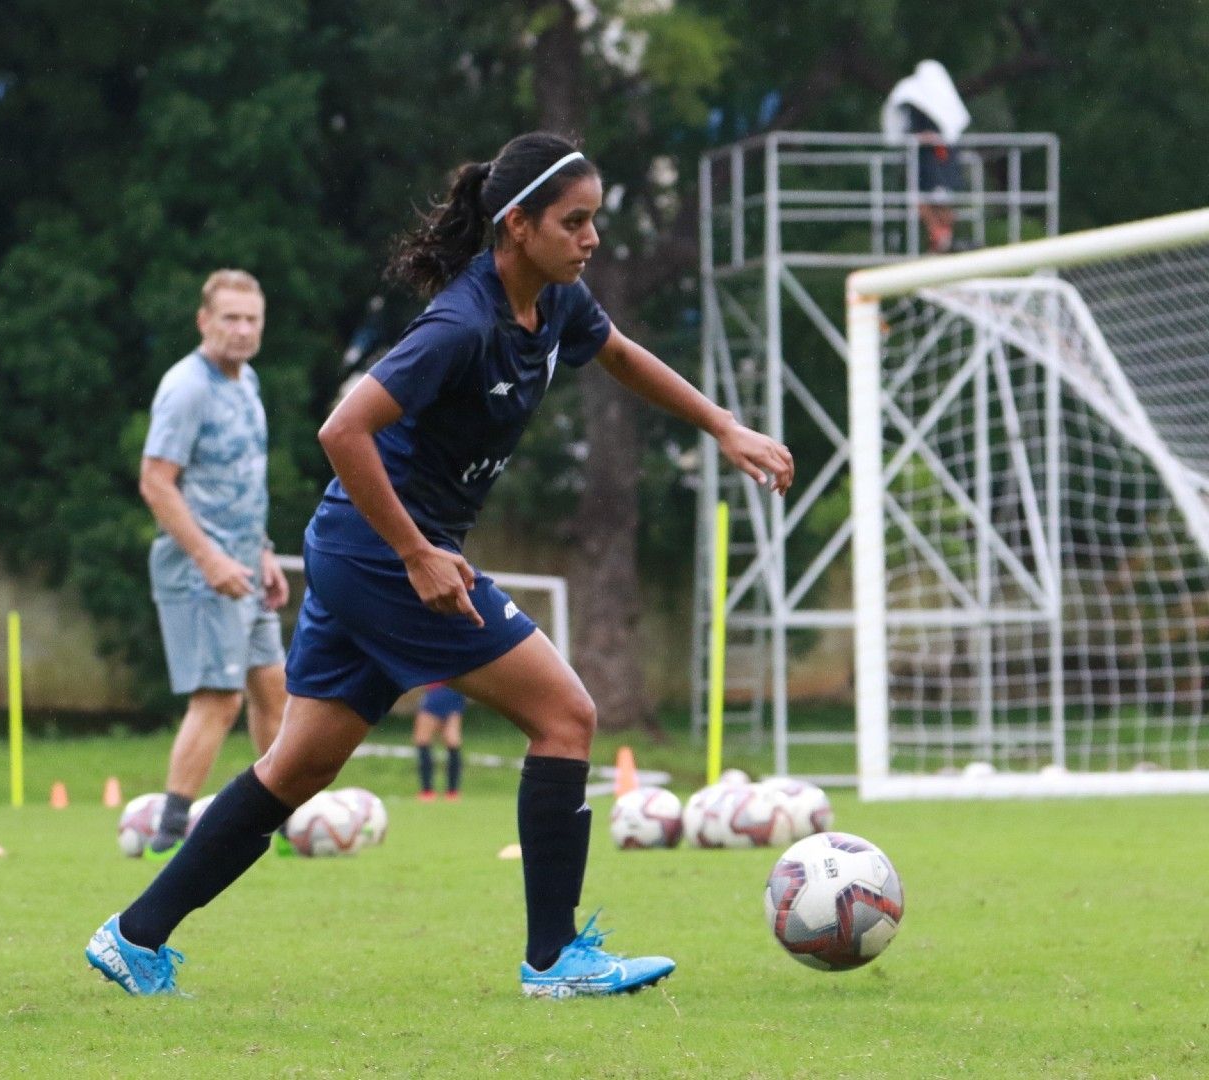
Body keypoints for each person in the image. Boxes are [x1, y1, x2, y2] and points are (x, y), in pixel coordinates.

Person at [85, 131, 794, 999]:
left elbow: (617, 353)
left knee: (298, 769)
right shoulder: (461, 321)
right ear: (517, 225)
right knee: (567, 715)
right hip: (387, 558)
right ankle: (553, 960)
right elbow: (342, 430)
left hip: (359, 553)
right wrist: (418, 552)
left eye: (594, 221)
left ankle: (134, 935)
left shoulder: (557, 301)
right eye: (574, 222)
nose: (591, 239)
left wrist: (722, 425)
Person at [138, 270, 291, 859]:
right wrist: (211, 560)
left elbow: (237, 484)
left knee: (272, 689)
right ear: (204, 321)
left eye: (252, 319)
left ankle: (277, 821)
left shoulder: (247, 383)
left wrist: (262, 553)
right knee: (218, 697)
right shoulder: (187, 387)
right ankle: (169, 832)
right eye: (230, 317)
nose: (243, 330)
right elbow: (157, 482)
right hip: (197, 571)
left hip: (244, 567)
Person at [883, 60, 971, 254]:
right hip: (924, 161)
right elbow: (902, 129)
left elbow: (951, 130)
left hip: (942, 159)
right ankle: (938, 236)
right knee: (921, 198)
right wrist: (919, 139)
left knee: (944, 199)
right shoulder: (912, 98)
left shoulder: (942, 101)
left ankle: (942, 237)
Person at [412, 682, 465, 801]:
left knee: (422, 739)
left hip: (437, 690)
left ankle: (427, 791)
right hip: (455, 692)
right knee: (452, 739)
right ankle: (453, 792)